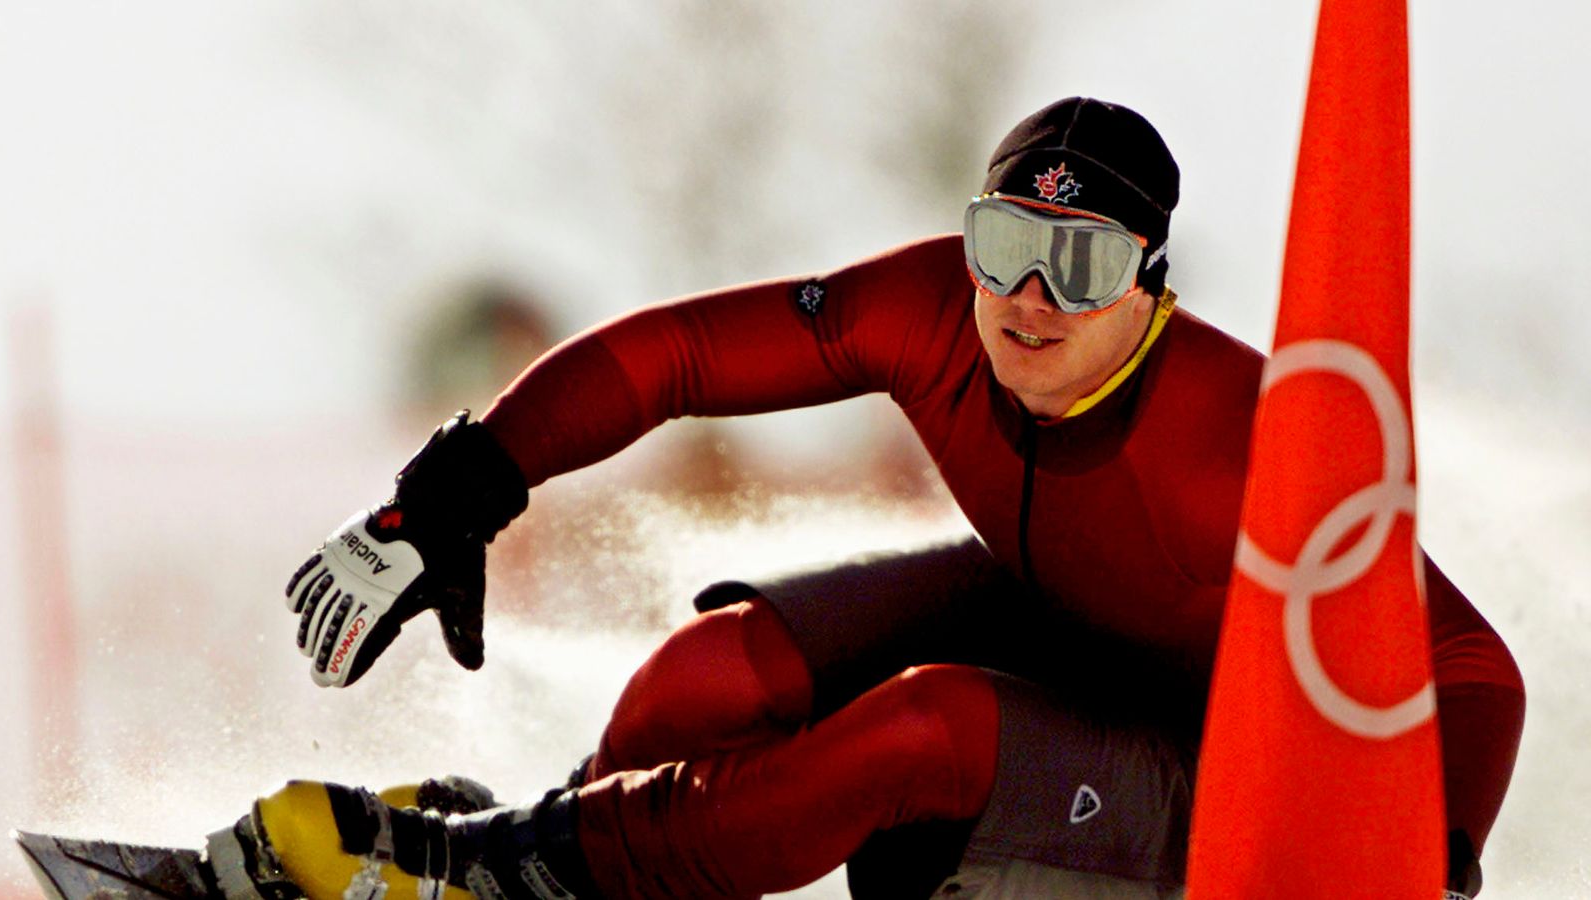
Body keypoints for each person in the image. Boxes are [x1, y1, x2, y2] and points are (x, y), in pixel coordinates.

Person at [261, 98, 1524, 900]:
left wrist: (1437, 866)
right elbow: (679, 358)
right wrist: (460, 490)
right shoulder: (929, 312)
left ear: (1149, 284)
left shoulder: (1237, 444)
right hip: (1058, 623)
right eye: (1003, 245)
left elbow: (1473, 668)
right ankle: (555, 830)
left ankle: (510, 876)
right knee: (723, 666)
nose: (1027, 300)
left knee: (926, 727)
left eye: (1076, 264)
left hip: (1212, 770)